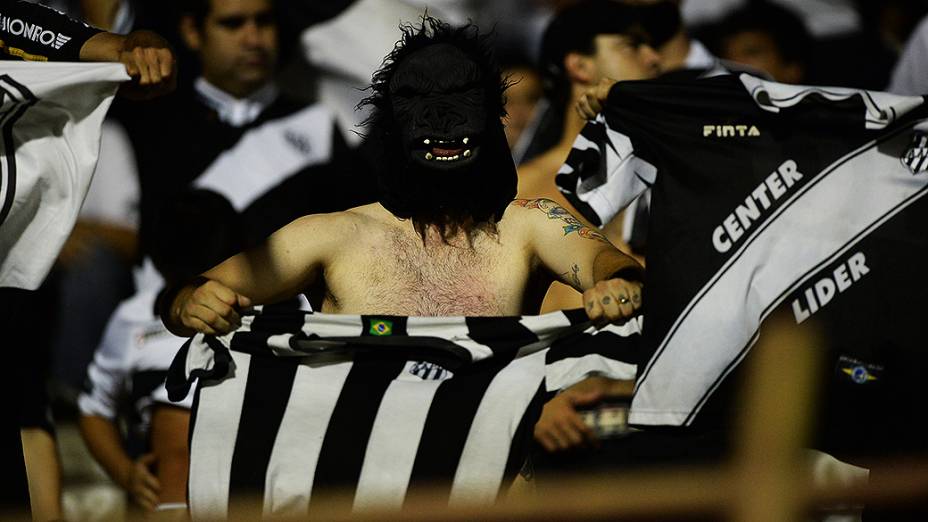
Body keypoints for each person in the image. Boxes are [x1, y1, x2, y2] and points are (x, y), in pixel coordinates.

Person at [160, 16, 644, 344]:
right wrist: (190, 305)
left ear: (493, 121)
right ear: (392, 129)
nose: (442, 122)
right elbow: (192, 293)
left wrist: (615, 285)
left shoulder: (528, 227)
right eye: (421, 102)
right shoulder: (331, 236)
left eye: (461, 99)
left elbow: (607, 263)